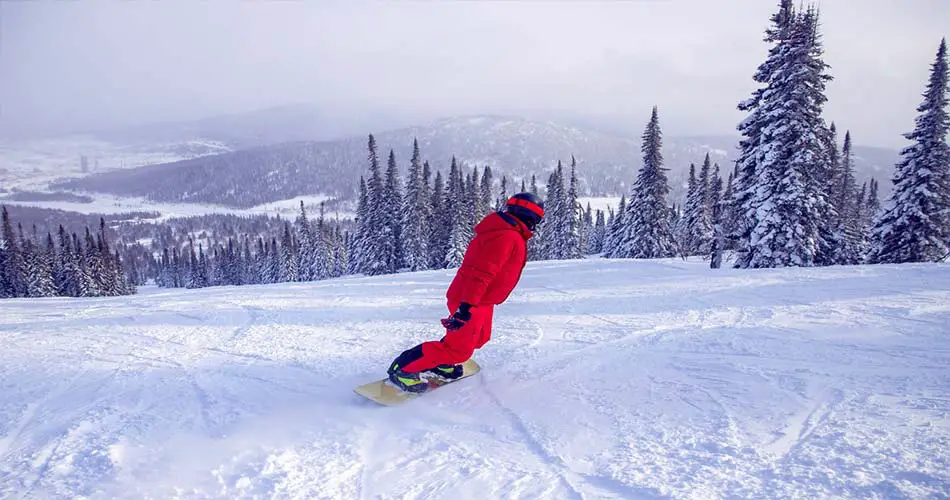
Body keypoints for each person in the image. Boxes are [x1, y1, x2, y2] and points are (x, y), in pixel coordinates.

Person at [386, 192, 545, 393]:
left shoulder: (509, 232)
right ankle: (403, 369)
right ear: (530, 217)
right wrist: (465, 307)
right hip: (471, 299)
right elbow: (480, 273)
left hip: (483, 299)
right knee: (459, 351)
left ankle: (442, 363)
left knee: (480, 338)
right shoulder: (507, 236)